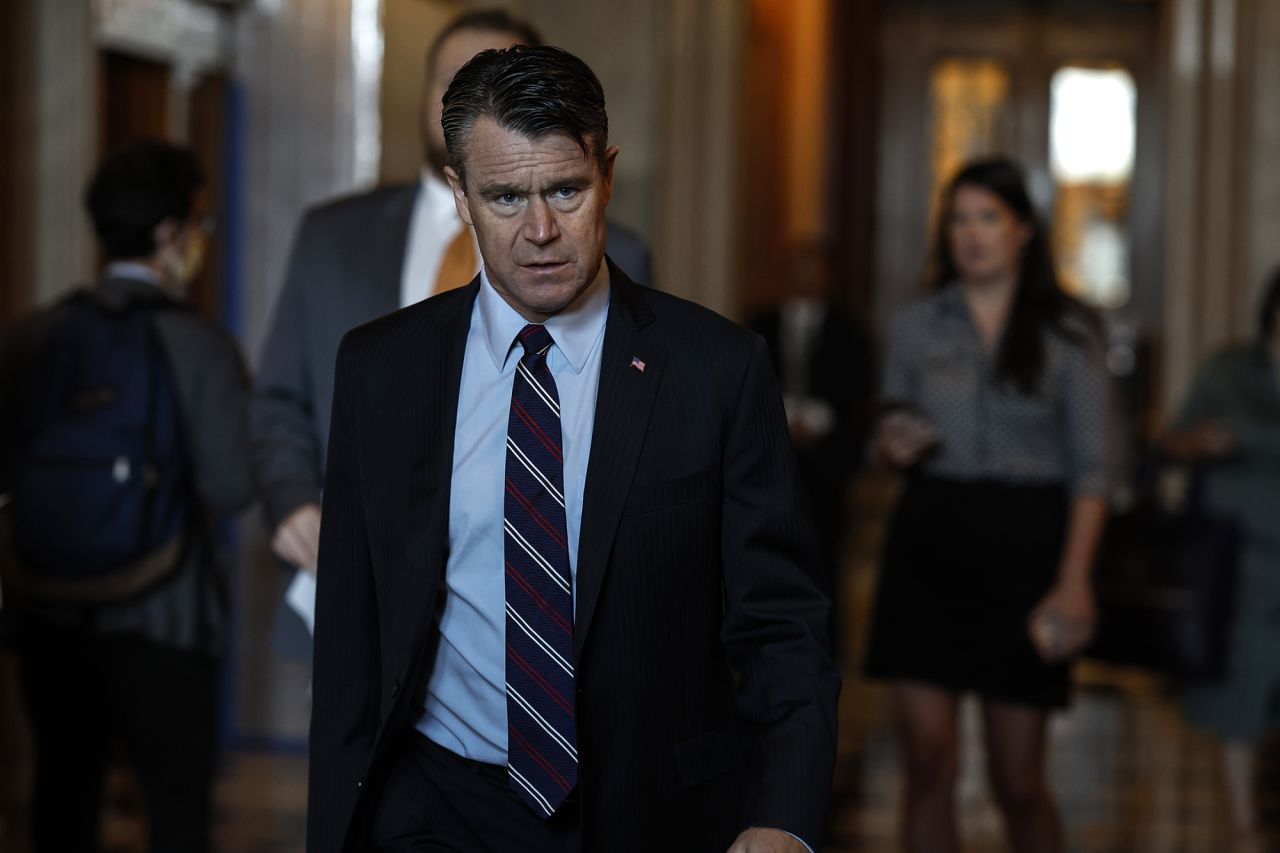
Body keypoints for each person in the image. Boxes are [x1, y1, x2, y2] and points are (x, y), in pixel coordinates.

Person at [306, 46, 839, 853]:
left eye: (565, 189)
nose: (541, 230)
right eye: (505, 197)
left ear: (608, 175)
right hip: (436, 809)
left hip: (652, 812)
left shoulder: (716, 370)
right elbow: (350, 640)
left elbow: (781, 622)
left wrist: (784, 817)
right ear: (459, 194)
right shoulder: (382, 371)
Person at [253, 10, 652, 663]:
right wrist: (295, 504)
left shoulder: (616, 249)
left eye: (500, 77)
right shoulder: (333, 236)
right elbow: (277, 400)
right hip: (361, 590)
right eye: (453, 79)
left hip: (548, 606)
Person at [0, 141, 253, 853]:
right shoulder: (199, 347)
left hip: (48, 614)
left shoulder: (31, 338)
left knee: (61, 800)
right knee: (177, 814)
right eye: (196, 227)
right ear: (170, 234)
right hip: (165, 620)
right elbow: (234, 485)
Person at [862, 157, 1110, 853]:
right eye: (959, 219)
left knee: (1018, 780)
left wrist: (1075, 580)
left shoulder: (1070, 333)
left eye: (988, 218)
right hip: (929, 541)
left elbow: (1095, 472)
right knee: (929, 761)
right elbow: (881, 436)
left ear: (1024, 230)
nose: (971, 234)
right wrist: (892, 441)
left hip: (1027, 551)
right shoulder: (917, 325)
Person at [1163, 270, 1280, 853]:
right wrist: (1203, 444)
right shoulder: (1228, 371)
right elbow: (1174, 439)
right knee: (1240, 687)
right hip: (1242, 558)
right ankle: (1241, 827)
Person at [750, 240, 871, 659]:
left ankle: (825, 647)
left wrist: (819, 423)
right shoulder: (759, 324)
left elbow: (858, 398)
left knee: (826, 558)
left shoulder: (849, 333)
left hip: (826, 467)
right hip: (770, 460)